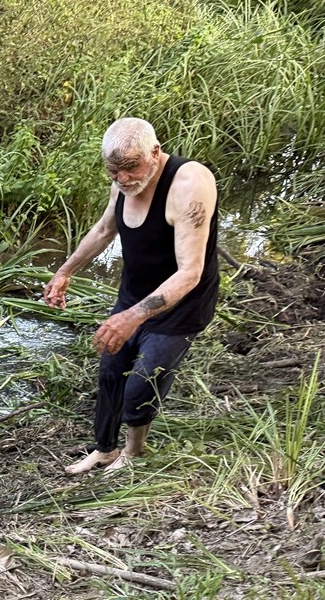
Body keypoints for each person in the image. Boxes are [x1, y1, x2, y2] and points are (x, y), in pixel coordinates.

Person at [44, 117, 219, 473]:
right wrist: (65, 271)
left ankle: (134, 450)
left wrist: (133, 317)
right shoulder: (123, 183)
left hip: (182, 304)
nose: (123, 179)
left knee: (142, 382)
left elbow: (190, 272)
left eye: (130, 168)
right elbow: (105, 228)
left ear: (155, 152)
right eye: (113, 171)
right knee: (111, 369)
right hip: (134, 293)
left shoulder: (189, 184)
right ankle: (104, 449)